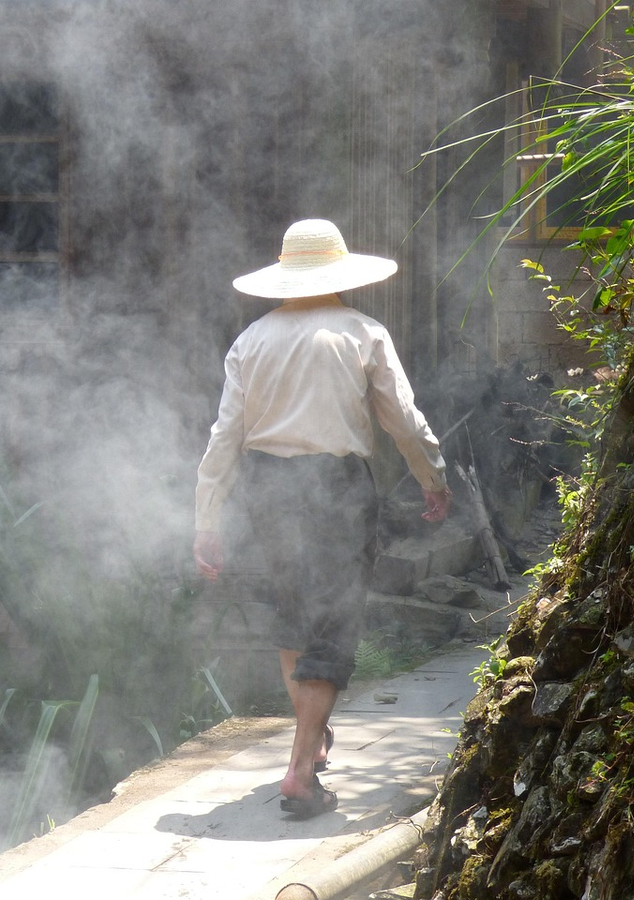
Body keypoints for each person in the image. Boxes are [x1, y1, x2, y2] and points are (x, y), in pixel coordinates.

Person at [193, 218, 450, 818]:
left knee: (294, 615)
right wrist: (432, 477)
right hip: (336, 486)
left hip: (266, 486)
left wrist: (206, 518)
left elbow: (225, 435)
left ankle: (310, 740)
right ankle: (301, 773)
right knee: (333, 624)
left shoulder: (251, 340)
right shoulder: (362, 332)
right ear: (340, 272)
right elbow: (403, 420)